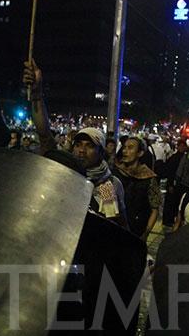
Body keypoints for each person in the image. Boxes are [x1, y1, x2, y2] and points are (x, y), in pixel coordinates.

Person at [23, 59, 128, 228]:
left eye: (89, 146)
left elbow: (113, 227)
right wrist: (36, 93)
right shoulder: (65, 170)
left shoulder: (109, 185)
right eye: (78, 144)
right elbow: (44, 134)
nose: (81, 150)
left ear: (101, 152)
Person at [113, 137, 161, 240]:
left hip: (136, 232)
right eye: (124, 147)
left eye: (130, 148)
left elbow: (155, 209)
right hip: (114, 227)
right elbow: (105, 198)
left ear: (140, 153)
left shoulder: (149, 177)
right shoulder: (114, 173)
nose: (125, 151)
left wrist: (146, 233)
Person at [161, 138, 189, 230]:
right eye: (181, 146)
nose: (182, 148)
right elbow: (170, 172)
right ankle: (168, 220)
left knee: (174, 203)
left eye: (183, 146)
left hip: (178, 185)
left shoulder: (185, 157)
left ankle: (171, 220)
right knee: (170, 202)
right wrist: (170, 185)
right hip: (173, 184)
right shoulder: (175, 158)